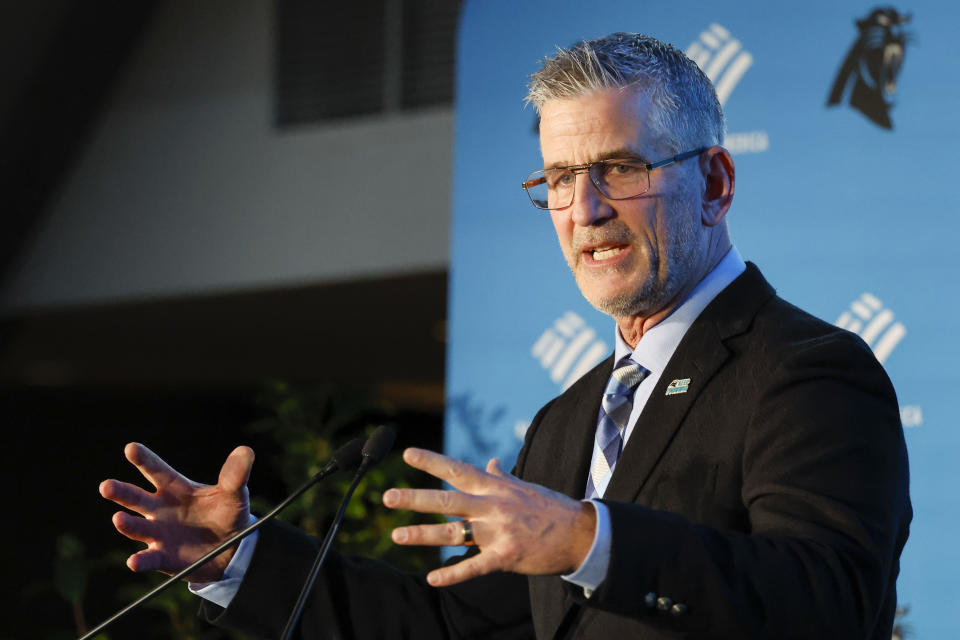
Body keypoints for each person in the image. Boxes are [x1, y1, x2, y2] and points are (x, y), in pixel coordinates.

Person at [100, 33, 911, 639]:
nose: (586, 210)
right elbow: (454, 630)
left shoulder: (807, 373)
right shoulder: (568, 419)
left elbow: (828, 599)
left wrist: (589, 540)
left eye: (620, 169)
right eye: (560, 178)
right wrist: (241, 560)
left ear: (716, 183)